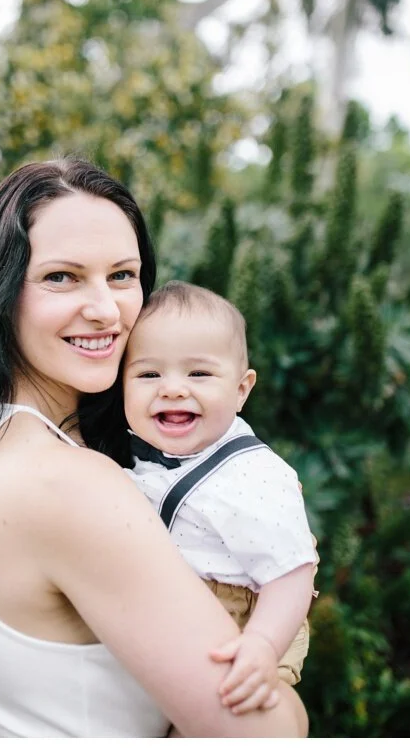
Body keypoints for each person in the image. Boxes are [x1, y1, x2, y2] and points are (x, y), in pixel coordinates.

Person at [0, 158, 308, 737]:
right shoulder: (67, 483)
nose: (105, 308)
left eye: (122, 275)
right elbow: (267, 733)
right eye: (61, 277)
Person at [121, 281, 316, 704]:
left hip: (238, 621)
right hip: (167, 613)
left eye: (199, 373)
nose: (172, 388)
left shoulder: (252, 476)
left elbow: (292, 572)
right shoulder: (135, 450)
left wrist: (262, 644)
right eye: (149, 374)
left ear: (241, 389)